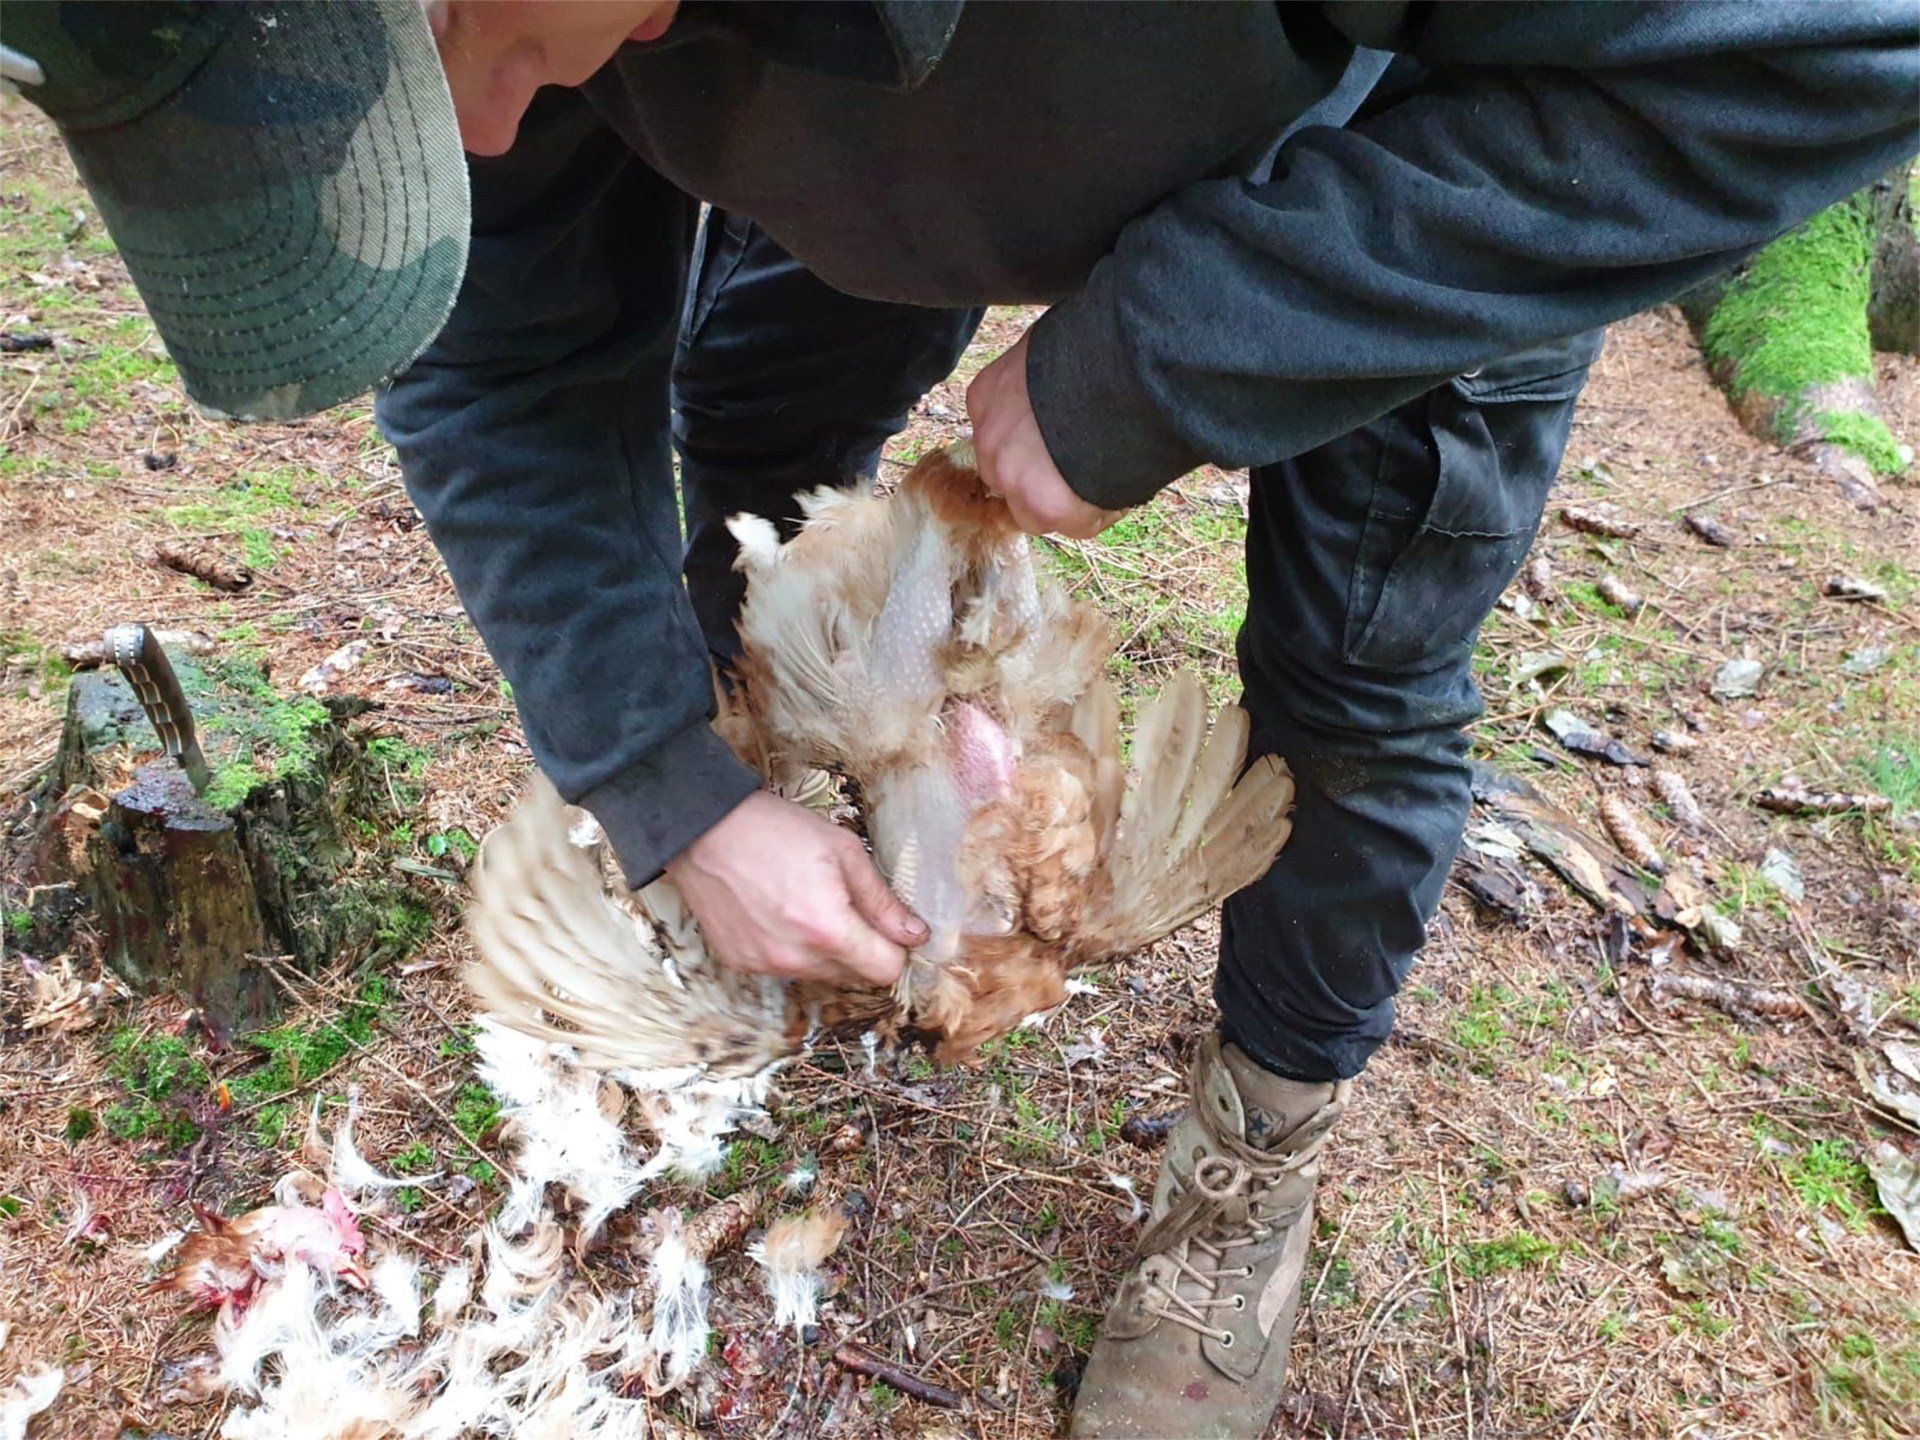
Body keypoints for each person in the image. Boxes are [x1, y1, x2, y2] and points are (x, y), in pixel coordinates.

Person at [9, 3, 1915, 1433]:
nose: (486, 130)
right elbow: (504, 362)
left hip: (1386, 159)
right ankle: (781, 854)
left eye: (429, 72)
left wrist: (1156, 355)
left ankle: (1258, 1140)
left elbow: (1822, 52)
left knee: (1353, 690)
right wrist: (672, 788)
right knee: (749, 447)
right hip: (891, 158)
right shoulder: (501, 46)